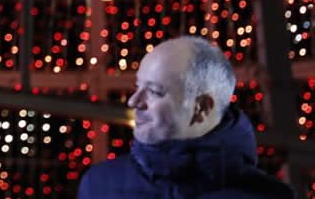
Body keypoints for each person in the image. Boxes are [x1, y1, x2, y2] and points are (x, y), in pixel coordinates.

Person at [78, 36, 295, 198]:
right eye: (137, 86)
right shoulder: (99, 186)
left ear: (201, 108)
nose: (134, 101)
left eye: (154, 91)